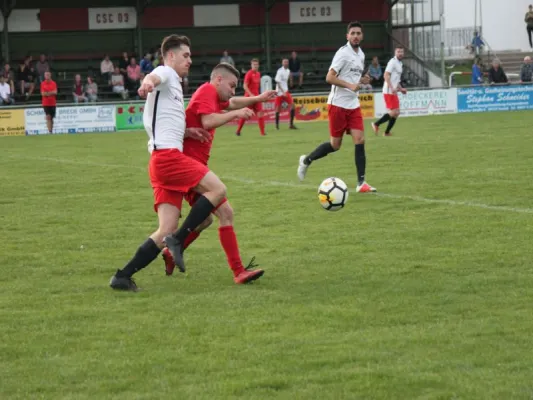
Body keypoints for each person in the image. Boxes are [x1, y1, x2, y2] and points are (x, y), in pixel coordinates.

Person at [109, 35, 229, 292]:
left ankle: (122, 276)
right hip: (168, 158)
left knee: (165, 228)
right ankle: (179, 239)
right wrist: (146, 83)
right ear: (171, 56)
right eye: (185, 55)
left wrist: (188, 132)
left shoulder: (174, 87)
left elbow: (159, 121)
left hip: (160, 159)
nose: (190, 60)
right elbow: (154, 77)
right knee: (218, 191)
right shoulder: (166, 73)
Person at [161, 63, 276, 283]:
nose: (234, 90)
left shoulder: (214, 95)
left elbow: (231, 102)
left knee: (205, 221)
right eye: (232, 85)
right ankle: (238, 272)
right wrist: (236, 114)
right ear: (218, 80)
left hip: (192, 165)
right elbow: (208, 120)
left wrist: (257, 98)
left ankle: (171, 251)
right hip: (189, 165)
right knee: (226, 213)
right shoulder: (207, 90)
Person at [296, 21, 375, 193]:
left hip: (353, 104)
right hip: (338, 105)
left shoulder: (360, 54)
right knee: (335, 145)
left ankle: (361, 183)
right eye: (352, 33)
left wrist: (361, 81)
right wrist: (350, 85)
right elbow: (329, 77)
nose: (355, 36)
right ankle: (306, 160)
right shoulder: (343, 53)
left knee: (360, 140)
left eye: (358, 33)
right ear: (347, 36)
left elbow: (353, 79)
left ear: (362, 36)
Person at [371, 46, 407, 137]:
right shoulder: (392, 62)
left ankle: (386, 132)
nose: (400, 53)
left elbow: (396, 79)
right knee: (394, 112)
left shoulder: (400, 63)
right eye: (398, 52)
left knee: (397, 112)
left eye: (402, 52)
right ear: (395, 53)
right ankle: (376, 124)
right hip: (388, 90)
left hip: (393, 91)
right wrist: (392, 88)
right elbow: (386, 75)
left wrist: (400, 88)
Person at [236, 58, 266, 136]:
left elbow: (257, 86)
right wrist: (251, 94)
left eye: (256, 65)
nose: (255, 66)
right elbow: (245, 86)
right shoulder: (249, 74)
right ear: (251, 65)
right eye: (254, 65)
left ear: (258, 65)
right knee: (245, 115)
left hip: (257, 97)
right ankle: (238, 130)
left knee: (260, 114)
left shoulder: (258, 74)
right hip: (249, 98)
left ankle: (262, 133)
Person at [274, 59, 297, 130]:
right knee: (278, 109)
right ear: (282, 63)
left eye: (287, 62)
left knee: (293, 106)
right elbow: (278, 82)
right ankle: (277, 126)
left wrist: (290, 81)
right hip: (279, 92)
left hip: (285, 91)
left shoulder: (288, 71)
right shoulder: (279, 71)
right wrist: (282, 92)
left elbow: (286, 80)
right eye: (284, 62)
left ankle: (291, 124)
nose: (286, 63)